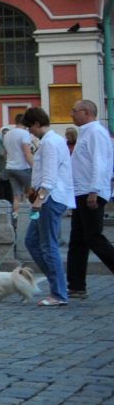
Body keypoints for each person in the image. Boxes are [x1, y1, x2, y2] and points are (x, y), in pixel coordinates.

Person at [22, 107, 71, 307]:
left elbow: (49, 178)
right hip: (49, 198)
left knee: (47, 245)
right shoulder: (52, 141)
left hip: (49, 199)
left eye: (29, 127)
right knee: (32, 241)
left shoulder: (50, 143)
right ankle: (58, 284)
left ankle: (59, 293)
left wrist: (38, 201)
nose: (29, 131)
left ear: (36, 123)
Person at [66, 99, 114, 299]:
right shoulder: (87, 132)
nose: (71, 114)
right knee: (78, 240)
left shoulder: (96, 133)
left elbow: (100, 163)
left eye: (74, 111)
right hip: (81, 192)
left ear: (86, 112)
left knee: (94, 237)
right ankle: (76, 285)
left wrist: (94, 190)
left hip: (90, 193)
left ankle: (77, 284)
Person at [4, 115, 34, 217]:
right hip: (23, 168)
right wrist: (35, 167)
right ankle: (32, 217)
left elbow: (6, 151)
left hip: (10, 167)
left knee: (17, 195)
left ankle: (16, 215)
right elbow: (27, 153)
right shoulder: (24, 133)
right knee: (31, 192)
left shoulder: (7, 134)